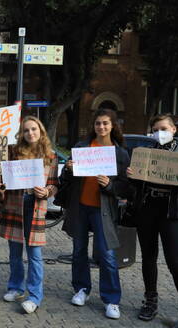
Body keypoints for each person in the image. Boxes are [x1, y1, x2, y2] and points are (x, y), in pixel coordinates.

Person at [127, 114, 178, 327]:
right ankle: (150, 302)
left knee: (175, 262)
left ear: (174, 129)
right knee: (148, 259)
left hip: (172, 214)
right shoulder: (145, 154)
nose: (160, 133)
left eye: (164, 128)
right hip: (148, 210)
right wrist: (132, 176)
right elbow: (134, 188)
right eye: (156, 129)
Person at [59, 108, 131, 319]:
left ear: (113, 126)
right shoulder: (82, 147)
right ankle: (81, 289)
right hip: (81, 207)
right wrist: (68, 169)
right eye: (98, 123)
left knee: (107, 255)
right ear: (93, 126)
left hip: (104, 211)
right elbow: (68, 181)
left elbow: (126, 187)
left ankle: (111, 299)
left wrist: (110, 185)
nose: (101, 127)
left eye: (105, 123)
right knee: (79, 250)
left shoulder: (120, 153)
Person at [0, 116, 59, 314]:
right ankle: (15, 287)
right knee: (14, 252)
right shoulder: (11, 151)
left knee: (35, 254)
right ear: (22, 133)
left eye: (34, 129)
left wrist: (47, 192)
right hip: (14, 205)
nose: (30, 133)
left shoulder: (50, 156)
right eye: (26, 130)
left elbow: (54, 184)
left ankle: (35, 296)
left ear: (41, 131)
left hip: (35, 207)